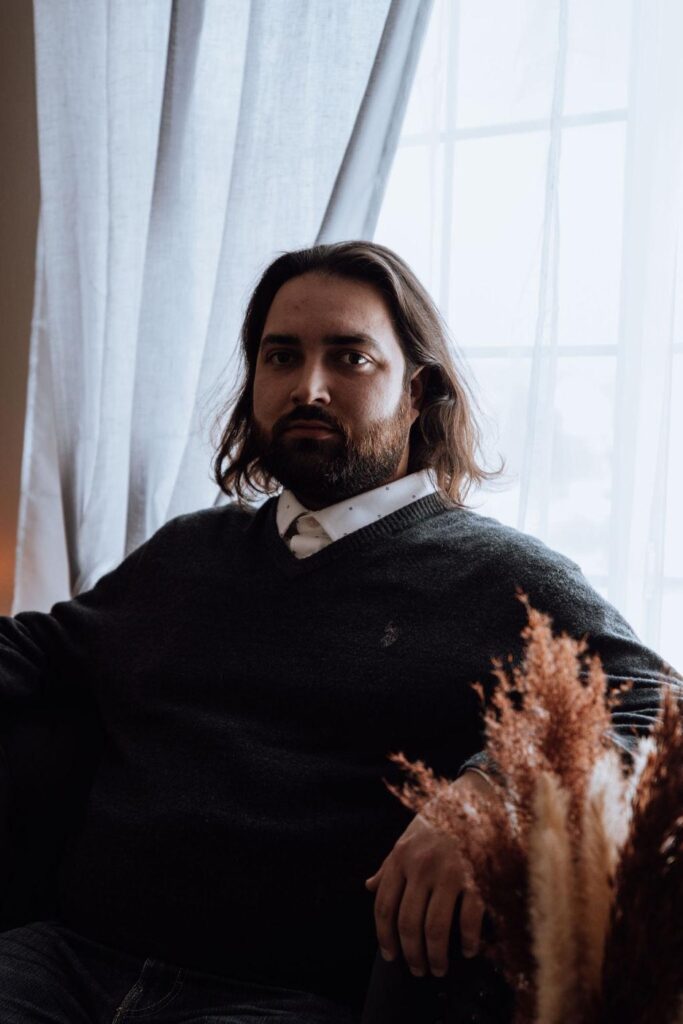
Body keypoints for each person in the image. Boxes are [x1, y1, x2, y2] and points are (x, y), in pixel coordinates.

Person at [0, 241, 672, 1023]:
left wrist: (488, 792)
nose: (307, 387)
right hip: (65, 960)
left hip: (283, 999)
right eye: (280, 356)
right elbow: (38, 652)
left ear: (418, 391)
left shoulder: (500, 576)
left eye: (348, 358)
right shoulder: (189, 551)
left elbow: (652, 701)